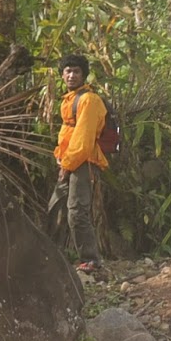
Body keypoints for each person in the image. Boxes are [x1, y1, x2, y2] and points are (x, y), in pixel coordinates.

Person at [47, 53, 108, 273]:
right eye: (68, 71)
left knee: (77, 210)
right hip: (69, 161)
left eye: (76, 71)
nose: (72, 75)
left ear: (84, 75)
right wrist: (60, 157)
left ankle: (91, 260)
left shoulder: (89, 100)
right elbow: (67, 133)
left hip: (84, 162)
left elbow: (83, 139)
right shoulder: (70, 99)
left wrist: (67, 165)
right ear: (62, 74)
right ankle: (50, 255)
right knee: (55, 206)